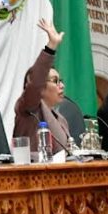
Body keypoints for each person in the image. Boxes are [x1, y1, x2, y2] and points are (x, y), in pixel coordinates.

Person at [13, 19, 70, 153]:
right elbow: (35, 83)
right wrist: (51, 46)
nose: (61, 85)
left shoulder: (60, 119)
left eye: (61, 81)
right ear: (41, 87)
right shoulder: (29, 108)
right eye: (55, 81)